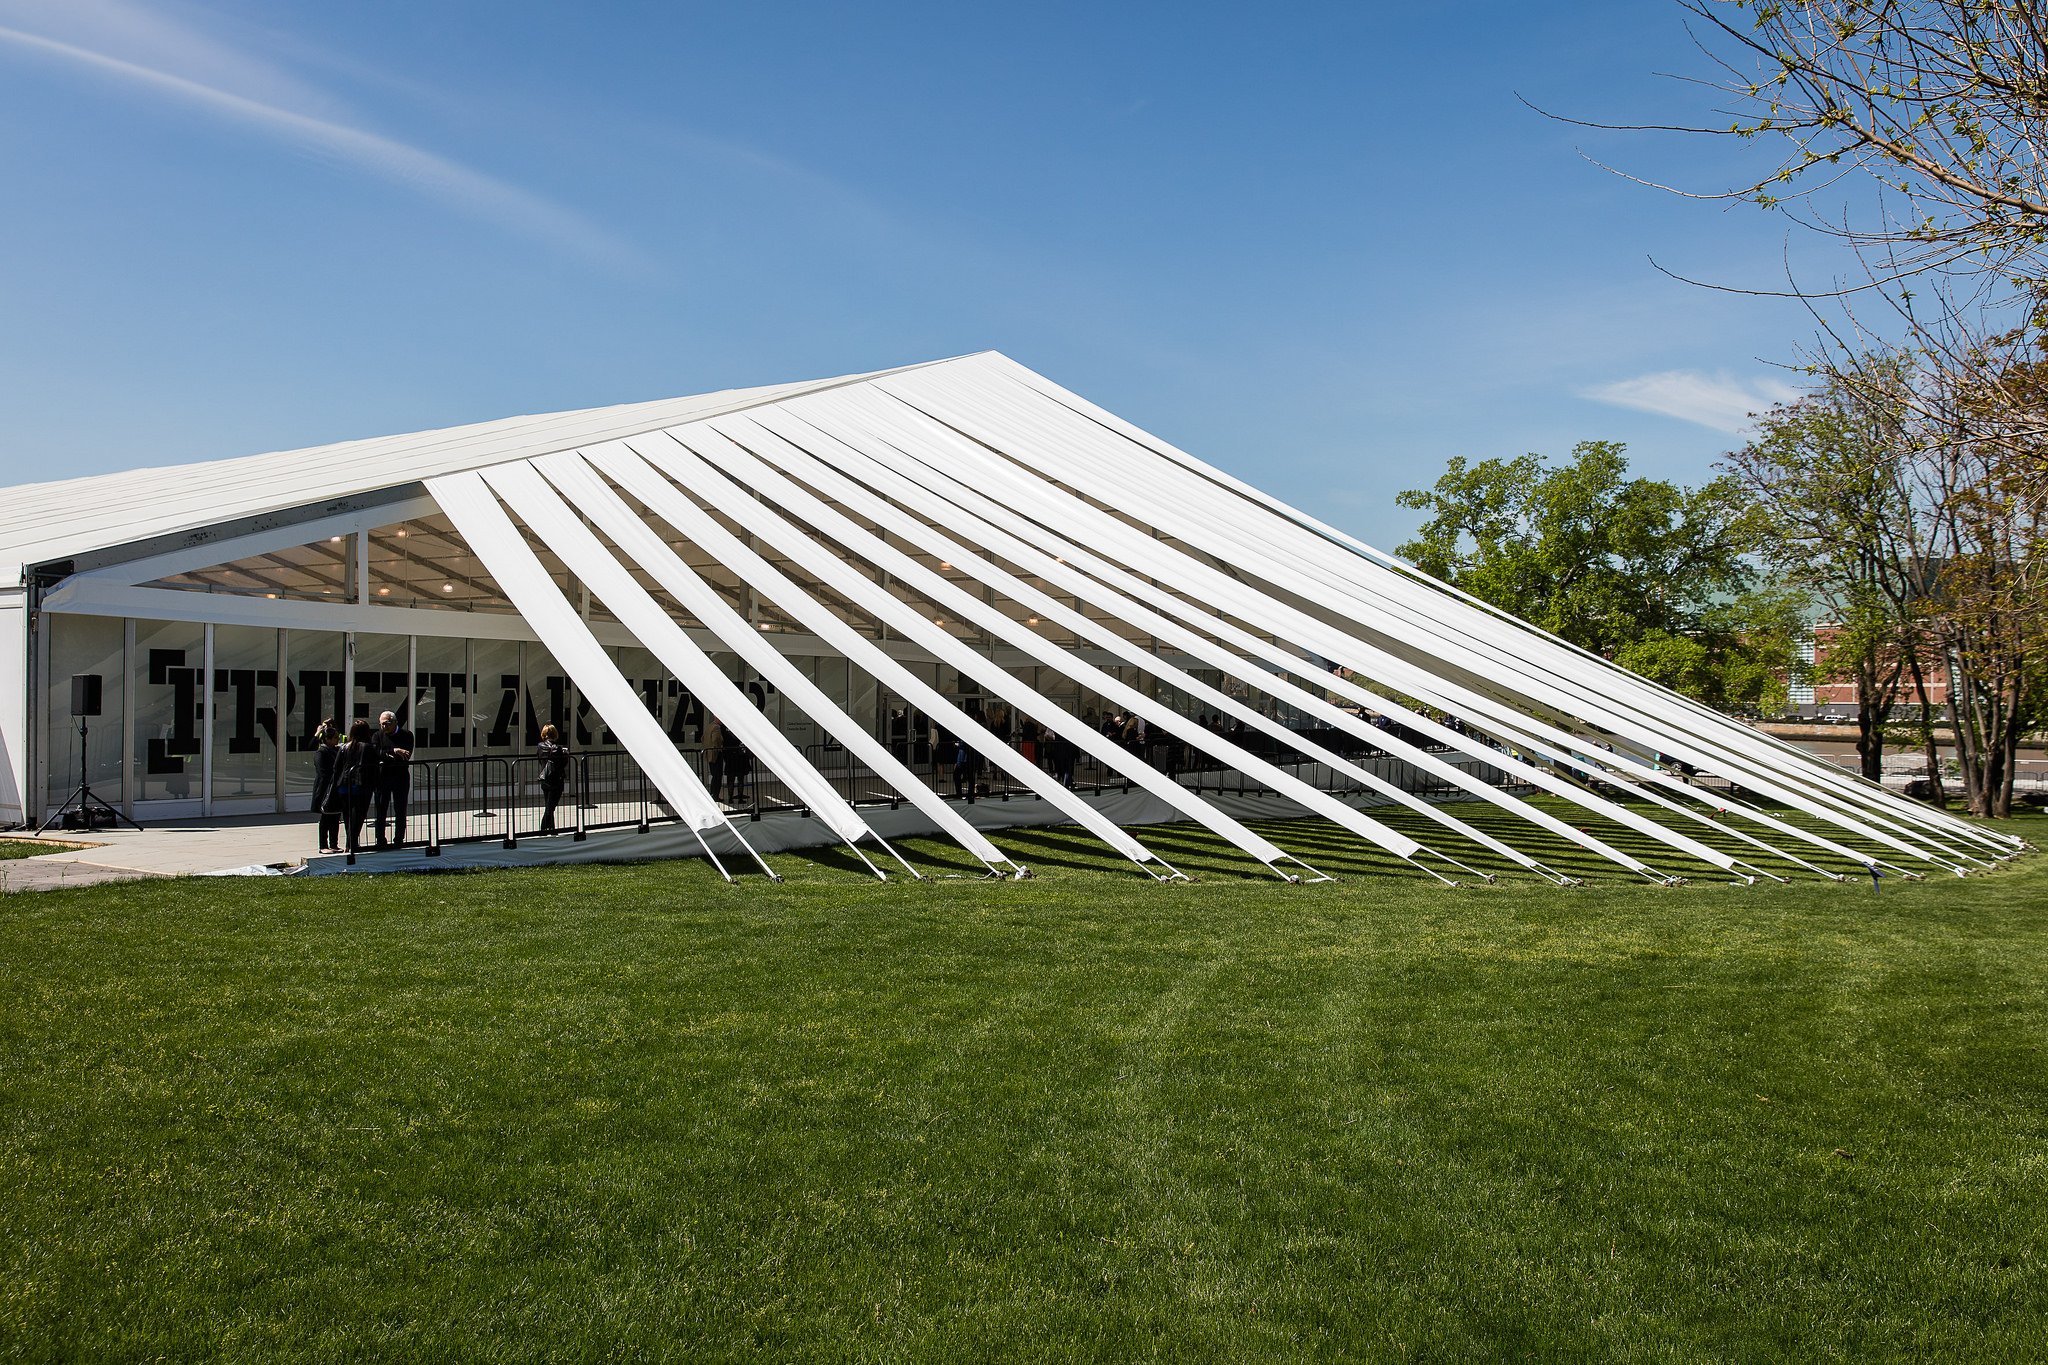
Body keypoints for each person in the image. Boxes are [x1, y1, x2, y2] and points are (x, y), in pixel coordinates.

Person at [330, 720, 377, 856]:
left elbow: (336, 767)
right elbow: (373, 767)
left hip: (344, 786)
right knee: (359, 816)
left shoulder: (344, 747)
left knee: (348, 816)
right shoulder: (368, 748)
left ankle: (350, 843)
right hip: (361, 786)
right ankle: (351, 843)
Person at [370, 709, 415, 849]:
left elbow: (406, 754)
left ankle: (399, 839)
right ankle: (380, 839)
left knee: (400, 809)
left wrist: (387, 755)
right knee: (381, 809)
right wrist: (394, 751)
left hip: (400, 776)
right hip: (382, 777)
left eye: (387, 723)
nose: (384, 727)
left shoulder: (407, 735)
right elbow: (376, 753)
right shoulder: (377, 736)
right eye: (382, 724)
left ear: (395, 722)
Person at [309, 719, 343, 853]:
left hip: (335, 788)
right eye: (334, 738)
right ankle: (323, 845)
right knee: (326, 818)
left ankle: (334, 843)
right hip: (325, 789)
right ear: (327, 739)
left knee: (335, 816)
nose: (337, 741)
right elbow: (323, 773)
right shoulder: (321, 752)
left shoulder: (336, 750)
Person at [536, 722, 569, 834]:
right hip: (556, 780)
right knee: (551, 807)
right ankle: (544, 829)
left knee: (549, 805)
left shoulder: (540, 746)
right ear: (555, 734)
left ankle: (551, 829)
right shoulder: (557, 749)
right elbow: (563, 764)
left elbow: (540, 760)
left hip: (545, 779)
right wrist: (565, 754)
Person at [720, 718, 754, 804]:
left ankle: (730, 798)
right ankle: (740, 798)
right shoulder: (742, 733)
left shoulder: (726, 732)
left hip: (730, 758)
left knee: (730, 780)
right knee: (740, 779)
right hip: (740, 758)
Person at [703, 714, 727, 802]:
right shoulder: (716, 728)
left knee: (714, 775)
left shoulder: (709, 727)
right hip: (716, 754)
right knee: (717, 776)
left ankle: (713, 794)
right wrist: (719, 747)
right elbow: (716, 739)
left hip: (709, 753)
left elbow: (703, 738)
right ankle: (715, 795)